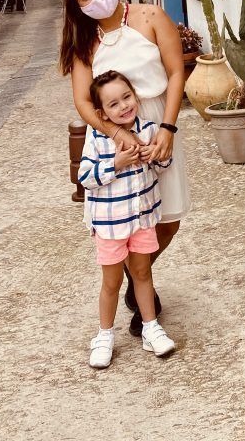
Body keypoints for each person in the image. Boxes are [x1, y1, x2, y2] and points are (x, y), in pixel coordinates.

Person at [59, 0, 190, 336]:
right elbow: (84, 102)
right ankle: (142, 287)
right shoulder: (85, 44)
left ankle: (138, 275)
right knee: (125, 219)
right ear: (77, 6)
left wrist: (167, 127)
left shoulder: (151, 16)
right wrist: (116, 133)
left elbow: (176, 71)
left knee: (168, 218)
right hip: (112, 139)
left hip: (158, 121)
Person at [79, 70, 176, 367]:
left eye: (126, 97)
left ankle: (151, 328)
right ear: (101, 113)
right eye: (113, 104)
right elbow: (84, 177)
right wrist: (115, 163)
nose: (123, 107)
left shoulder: (148, 129)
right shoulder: (96, 138)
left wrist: (154, 155)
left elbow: (165, 163)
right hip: (110, 225)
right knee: (111, 282)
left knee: (142, 274)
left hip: (142, 219)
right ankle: (104, 335)